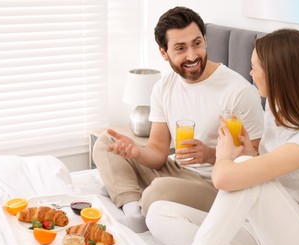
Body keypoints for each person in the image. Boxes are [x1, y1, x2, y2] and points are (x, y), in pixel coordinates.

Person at [146, 28, 299, 245]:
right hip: (267, 231)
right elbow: (272, 174)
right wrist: (250, 152)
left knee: (245, 174)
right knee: (158, 213)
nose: (250, 74)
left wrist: (224, 156)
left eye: (255, 68)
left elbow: (225, 179)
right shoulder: (274, 109)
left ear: (276, 74)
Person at [93, 6, 264, 233]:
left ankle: (127, 191)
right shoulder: (163, 87)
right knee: (105, 143)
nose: (192, 56)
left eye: (197, 43)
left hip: (213, 184)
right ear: (164, 52)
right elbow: (157, 152)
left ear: (205, 40)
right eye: (180, 48)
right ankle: (133, 210)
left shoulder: (238, 91)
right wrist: (137, 152)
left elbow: (257, 161)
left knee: (158, 191)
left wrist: (212, 155)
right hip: (175, 170)